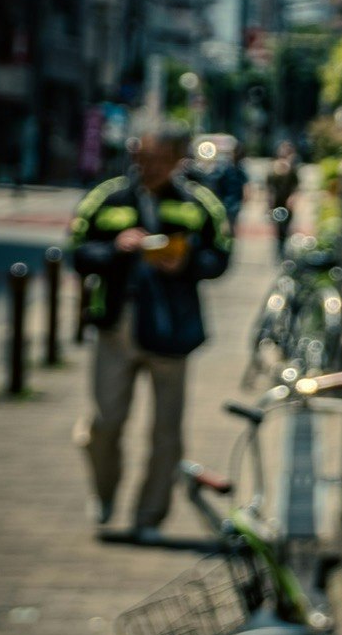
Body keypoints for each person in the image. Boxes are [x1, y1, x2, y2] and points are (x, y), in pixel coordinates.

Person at [68, 122, 232, 536]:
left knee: (166, 432)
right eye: (143, 157)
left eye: (160, 159)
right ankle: (104, 495)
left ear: (179, 160)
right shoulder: (108, 197)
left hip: (172, 329)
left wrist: (188, 262)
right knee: (104, 423)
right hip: (116, 326)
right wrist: (115, 249)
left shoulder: (199, 202)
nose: (150, 167)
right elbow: (76, 251)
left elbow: (221, 255)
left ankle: (149, 517)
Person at [266, 139, 299, 258]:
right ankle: (279, 247)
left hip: (287, 202)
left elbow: (295, 187)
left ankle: (283, 245)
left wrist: (292, 198)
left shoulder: (292, 169)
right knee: (278, 225)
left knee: (286, 225)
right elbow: (269, 187)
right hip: (277, 201)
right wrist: (269, 201)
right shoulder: (273, 168)